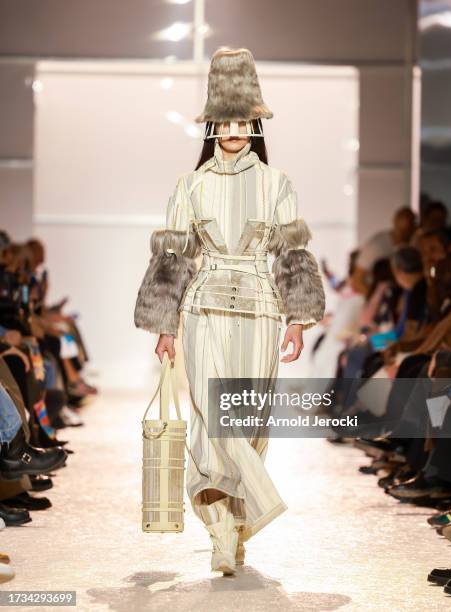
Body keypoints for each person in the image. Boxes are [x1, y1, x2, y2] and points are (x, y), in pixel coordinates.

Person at [134, 47, 325, 575]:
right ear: (213, 124)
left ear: (256, 122)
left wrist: (298, 318)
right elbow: (173, 257)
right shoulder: (190, 185)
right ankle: (223, 535)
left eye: (245, 118)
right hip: (204, 311)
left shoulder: (276, 182)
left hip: (263, 312)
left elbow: (292, 254)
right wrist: (164, 324)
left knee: (248, 421)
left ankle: (236, 524)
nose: (235, 128)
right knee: (214, 421)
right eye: (226, 119)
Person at [351, 207, 416, 294]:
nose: (405, 233)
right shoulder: (377, 246)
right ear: (394, 222)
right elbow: (357, 280)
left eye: (408, 229)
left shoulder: (414, 244)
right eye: (402, 229)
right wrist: (376, 301)